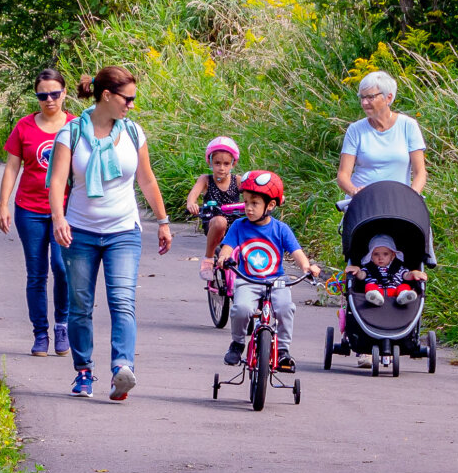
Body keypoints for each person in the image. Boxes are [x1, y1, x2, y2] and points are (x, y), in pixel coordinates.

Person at [47, 66, 172, 401]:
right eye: (127, 99)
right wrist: (58, 219)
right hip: (80, 232)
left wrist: (162, 220)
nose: (131, 105)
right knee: (80, 305)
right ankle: (84, 372)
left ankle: (122, 370)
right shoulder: (70, 134)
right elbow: (57, 181)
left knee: (123, 302)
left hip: (123, 231)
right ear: (107, 96)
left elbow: (146, 180)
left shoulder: (133, 133)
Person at [336, 70, 429, 367]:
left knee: (409, 259)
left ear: (388, 98)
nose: (364, 102)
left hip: (401, 206)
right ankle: (363, 336)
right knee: (360, 262)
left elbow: (420, 172)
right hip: (366, 205)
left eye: (370, 97)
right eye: (361, 97)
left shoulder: (408, 127)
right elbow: (343, 176)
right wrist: (355, 192)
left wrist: (412, 197)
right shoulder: (356, 130)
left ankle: (402, 325)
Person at [0, 69, 76, 357]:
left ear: (64, 93)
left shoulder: (75, 126)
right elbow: (11, 167)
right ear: (37, 97)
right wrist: (3, 204)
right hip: (29, 208)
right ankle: (40, 333)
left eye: (55, 93)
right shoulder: (25, 127)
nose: (49, 99)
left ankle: (62, 326)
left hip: (65, 211)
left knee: (62, 267)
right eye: (43, 95)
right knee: (36, 274)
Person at [216, 170, 321, 374]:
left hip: (277, 281)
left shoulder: (280, 229)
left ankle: (283, 350)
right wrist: (223, 257)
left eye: (254, 203)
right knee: (241, 309)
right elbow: (228, 246)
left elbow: (297, 252)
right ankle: (237, 344)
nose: (248, 208)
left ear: (270, 205)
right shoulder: (239, 226)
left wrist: (307, 267)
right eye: (245, 202)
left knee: (285, 309)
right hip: (247, 280)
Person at [185, 136, 243, 280]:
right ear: (210, 162)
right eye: (217, 163)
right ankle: (208, 259)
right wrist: (192, 204)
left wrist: (271, 196)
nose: (221, 168)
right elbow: (193, 195)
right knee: (220, 222)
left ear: (233, 164)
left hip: (235, 223)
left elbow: (255, 191)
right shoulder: (206, 179)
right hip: (213, 221)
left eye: (226, 164)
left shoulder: (237, 181)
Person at [345, 234, 427, 306]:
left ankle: (403, 296)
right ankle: (375, 297)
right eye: (376, 254)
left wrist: (413, 273)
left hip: (395, 292)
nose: (380, 258)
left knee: (405, 286)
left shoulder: (398, 267)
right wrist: (357, 270)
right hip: (377, 290)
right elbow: (361, 276)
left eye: (385, 254)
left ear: (393, 256)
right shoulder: (369, 268)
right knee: (369, 286)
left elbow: (406, 275)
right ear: (371, 256)